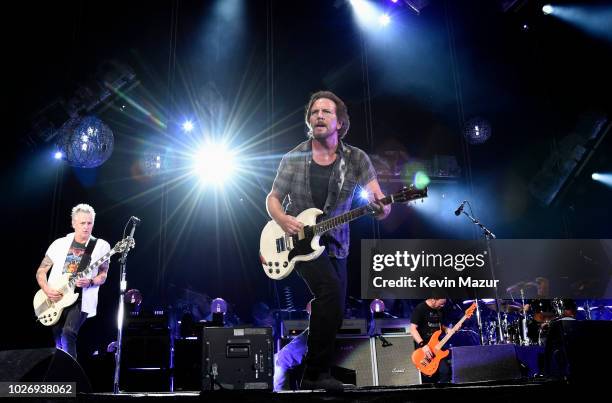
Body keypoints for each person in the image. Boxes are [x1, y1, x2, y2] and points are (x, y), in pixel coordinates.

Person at [266, 90, 390, 390]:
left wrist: (383, 206)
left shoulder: (356, 158)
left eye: (326, 112)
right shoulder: (293, 157)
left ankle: (299, 363)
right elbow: (273, 198)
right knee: (330, 292)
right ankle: (315, 373)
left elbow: (382, 204)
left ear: (340, 122)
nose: (319, 116)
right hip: (300, 243)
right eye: (314, 112)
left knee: (332, 313)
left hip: (337, 245)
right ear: (309, 121)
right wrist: (283, 220)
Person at [35, 203, 111, 359]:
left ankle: (71, 375)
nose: (86, 227)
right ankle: (62, 372)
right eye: (82, 223)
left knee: (68, 333)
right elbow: (41, 271)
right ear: (73, 223)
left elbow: (103, 274)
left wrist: (90, 281)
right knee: (58, 338)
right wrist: (47, 289)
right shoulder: (59, 244)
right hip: (56, 297)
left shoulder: (101, 246)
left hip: (81, 297)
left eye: (90, 223)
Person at [410, 298, 452, 383]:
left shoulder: (439, 310)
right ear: (433, 300)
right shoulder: (420, 309)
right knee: (430, 378)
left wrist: (447, 329)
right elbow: (413, 329)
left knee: (445, 371)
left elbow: (439, 325)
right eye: (441, 304)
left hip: (437, 347)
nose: (442, 306)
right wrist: (423, 345)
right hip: (424, 349)